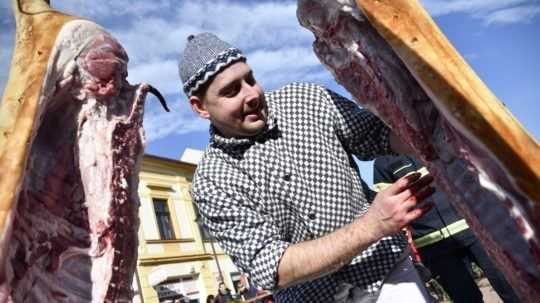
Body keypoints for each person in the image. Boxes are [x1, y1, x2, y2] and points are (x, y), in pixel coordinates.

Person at [179, 32, 435, 303]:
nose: (252, 94)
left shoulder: (306, 100)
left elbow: (377, 134)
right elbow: (272, 267)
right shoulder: (212, 181)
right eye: (231, 90)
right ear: (200, 107)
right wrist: (373, 225)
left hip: (386, 271)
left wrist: (430, 120)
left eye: (250, 79)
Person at [373, 155, 521, 303]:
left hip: (475, 231)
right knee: (465, 299)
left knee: (510, 287)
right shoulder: (382, 163)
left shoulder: (427, 137)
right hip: (433, 246)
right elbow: (389, 208)